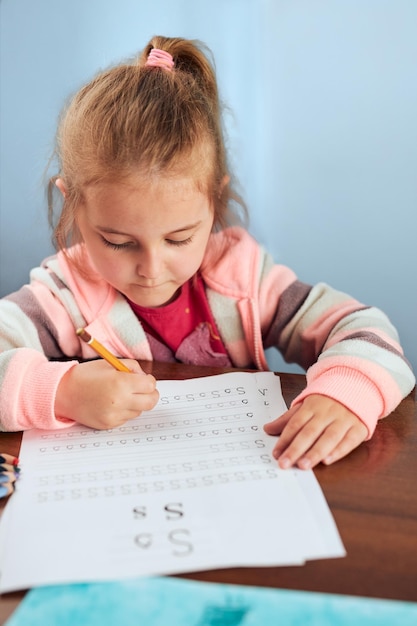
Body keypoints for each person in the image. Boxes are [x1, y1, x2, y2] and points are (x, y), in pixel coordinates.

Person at [0, 36, 414, 471]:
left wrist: (345, 393)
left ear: (213, 203)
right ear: (73, 205)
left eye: (178, 239)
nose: (151, 269)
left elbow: (366, 330)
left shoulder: (244, 280)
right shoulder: (62, 296)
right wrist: (62, 391)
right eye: (118, 242)